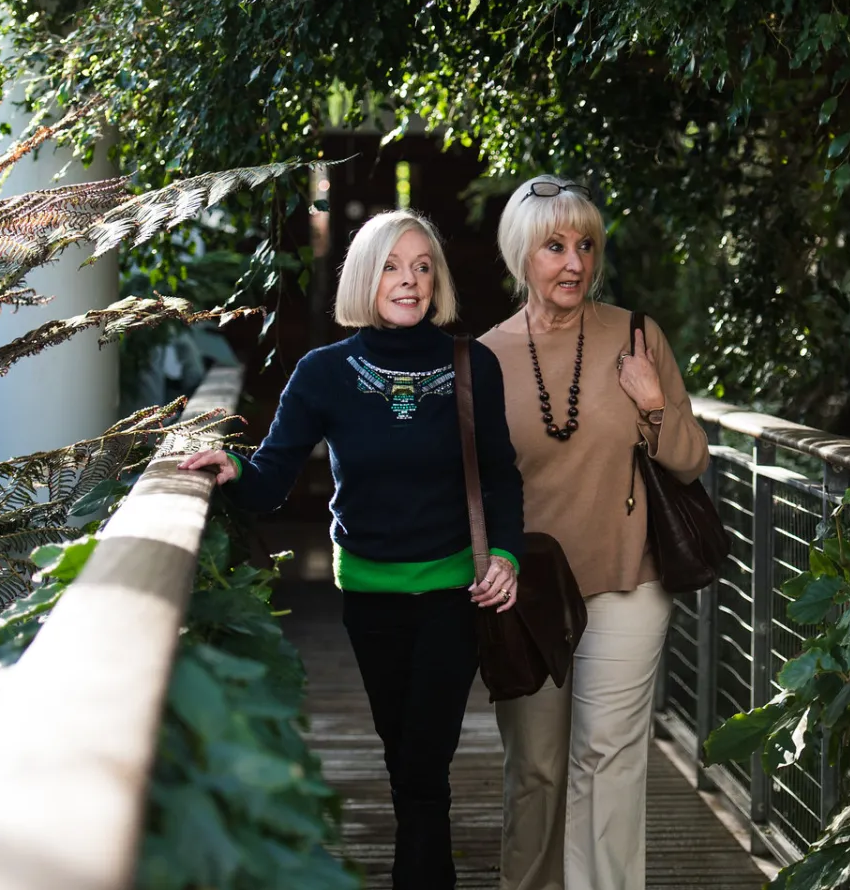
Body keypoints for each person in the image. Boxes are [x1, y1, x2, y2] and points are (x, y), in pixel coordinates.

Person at [179, 209, 523, 890]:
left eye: (423, 267)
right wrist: (235, 470)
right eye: (393, 266)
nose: (410, 280)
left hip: (455, 591)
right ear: (366, 277)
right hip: (369, 594)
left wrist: (506, 556)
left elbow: (503, 471)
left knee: (426, 760)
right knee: (403, 755)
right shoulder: (325, 372)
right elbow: (273, 477)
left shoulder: (472, 364)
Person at [479, 177, 710, 890]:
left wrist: (652, 403)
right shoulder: (482, 359)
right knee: (539, 772)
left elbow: (692, 458)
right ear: (522, 254)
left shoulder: (638, 335)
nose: (574, 262)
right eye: (555, 246)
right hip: (527, 593)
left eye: (586, 245)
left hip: (627, 577)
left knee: (606, 758)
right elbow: (470, 485)